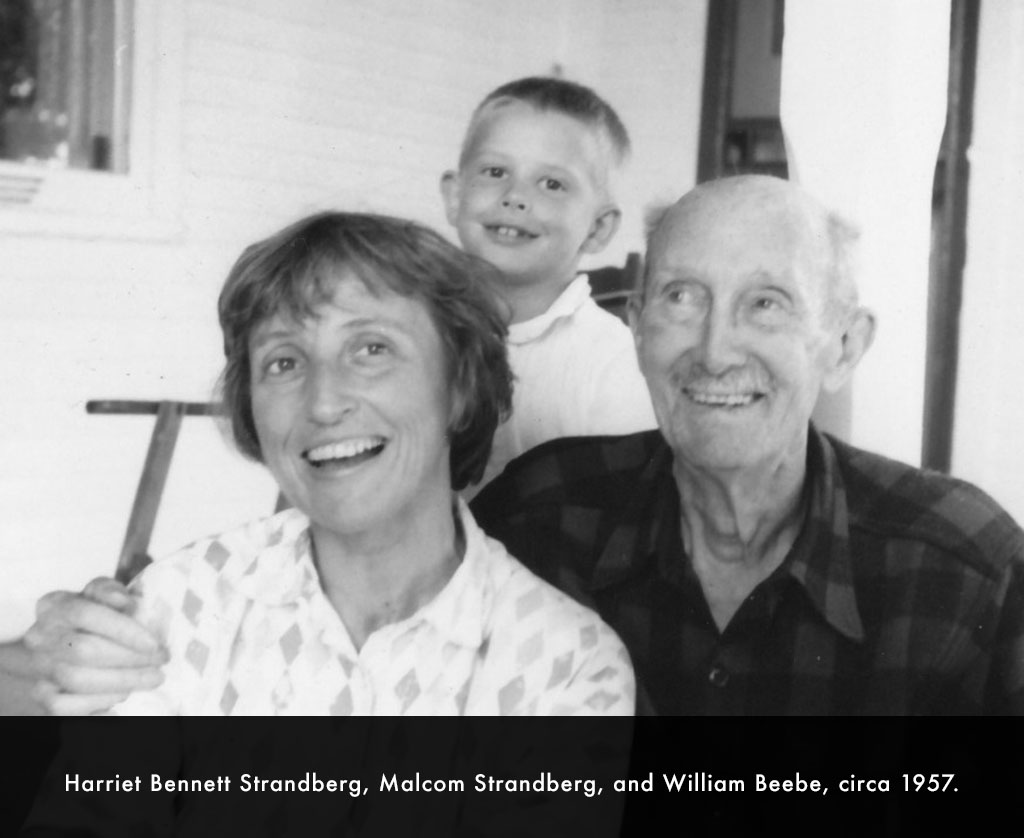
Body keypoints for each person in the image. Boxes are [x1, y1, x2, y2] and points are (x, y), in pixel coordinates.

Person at [21, 175, 1024, 717]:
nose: (715, 345)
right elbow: (379, 533)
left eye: (767, 302)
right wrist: (84, 626)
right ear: (635, 326)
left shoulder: (960, 564)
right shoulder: (548, 510)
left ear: (843, 345)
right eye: (678, 297)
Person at [16, 211, 633, 718]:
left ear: (460, 387)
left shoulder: (564, 662)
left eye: (371, 349)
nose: (324, 401)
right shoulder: (182, 606)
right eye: (283, 362)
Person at [440, 76, 656, 491]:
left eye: (552, 183)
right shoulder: (415, 333)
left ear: (597, 228)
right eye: (496, 171)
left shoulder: (615, 365)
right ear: (455, 196)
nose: (516, 196)